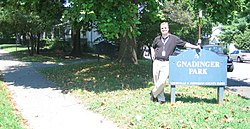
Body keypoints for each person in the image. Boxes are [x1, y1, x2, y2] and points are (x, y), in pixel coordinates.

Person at [150, 22, 201, 104]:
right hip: (156, 62)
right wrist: (153, 53)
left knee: (162, 81)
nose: (164, 29)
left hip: (166, 63)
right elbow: (153, 47)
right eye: (162, 28)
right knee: (157, 81)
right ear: (160, 29)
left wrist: (195, 47)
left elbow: (184, 44)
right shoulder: (157, 39)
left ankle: (153, 93)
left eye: (165, 28)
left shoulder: (174, 39)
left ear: (168, 28)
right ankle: (161, 99)